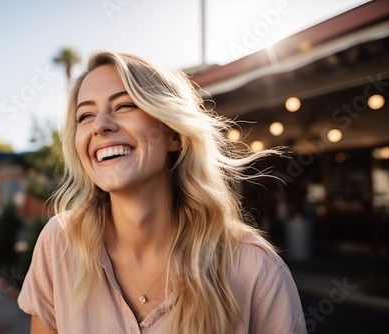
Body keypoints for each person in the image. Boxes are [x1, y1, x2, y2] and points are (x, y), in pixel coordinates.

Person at [18, 51, 307, 334]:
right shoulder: (58, 245)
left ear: (174, 135)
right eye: (85, 115)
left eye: (124, 106)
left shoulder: (254, 269)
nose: (100, 126)